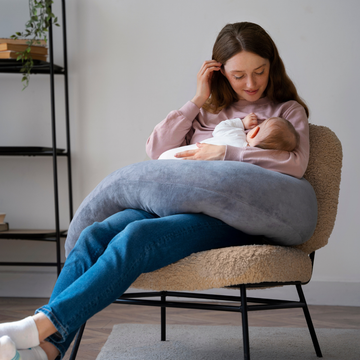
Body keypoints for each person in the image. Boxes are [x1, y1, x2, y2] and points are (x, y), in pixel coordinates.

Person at [0, 22, 310, 360]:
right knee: (94, 235)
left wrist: (224, 153)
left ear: (272, 66)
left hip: (229, 217)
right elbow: (156, 149)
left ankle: (42, 325)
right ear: (220, 73)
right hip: (173, 205)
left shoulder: (286, 111)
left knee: (137, 237)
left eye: (259, 72)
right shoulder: (208, 111)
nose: (251, 84)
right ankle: (49, 349)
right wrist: (197, 99)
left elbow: (295, 165)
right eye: (238, 76)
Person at [158, 113, 300, 159]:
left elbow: (220, 128)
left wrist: (242, 123)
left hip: (170, 156)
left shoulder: (236, 134)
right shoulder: (250, 163)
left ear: (255, 131)